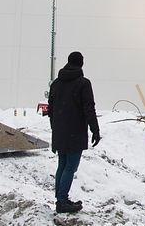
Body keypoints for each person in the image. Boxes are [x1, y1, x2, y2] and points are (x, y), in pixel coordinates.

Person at [47, 51, 101, 214]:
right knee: (70, 166)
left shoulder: (56, 83)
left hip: (60, 130)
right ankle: (62, 201)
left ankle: (60, 198)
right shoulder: (83, 83)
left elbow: (51, 108)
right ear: (81, 63)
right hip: (75, 131)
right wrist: (95, 129)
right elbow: (88, 108)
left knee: (62, 164)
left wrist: (54, 127)